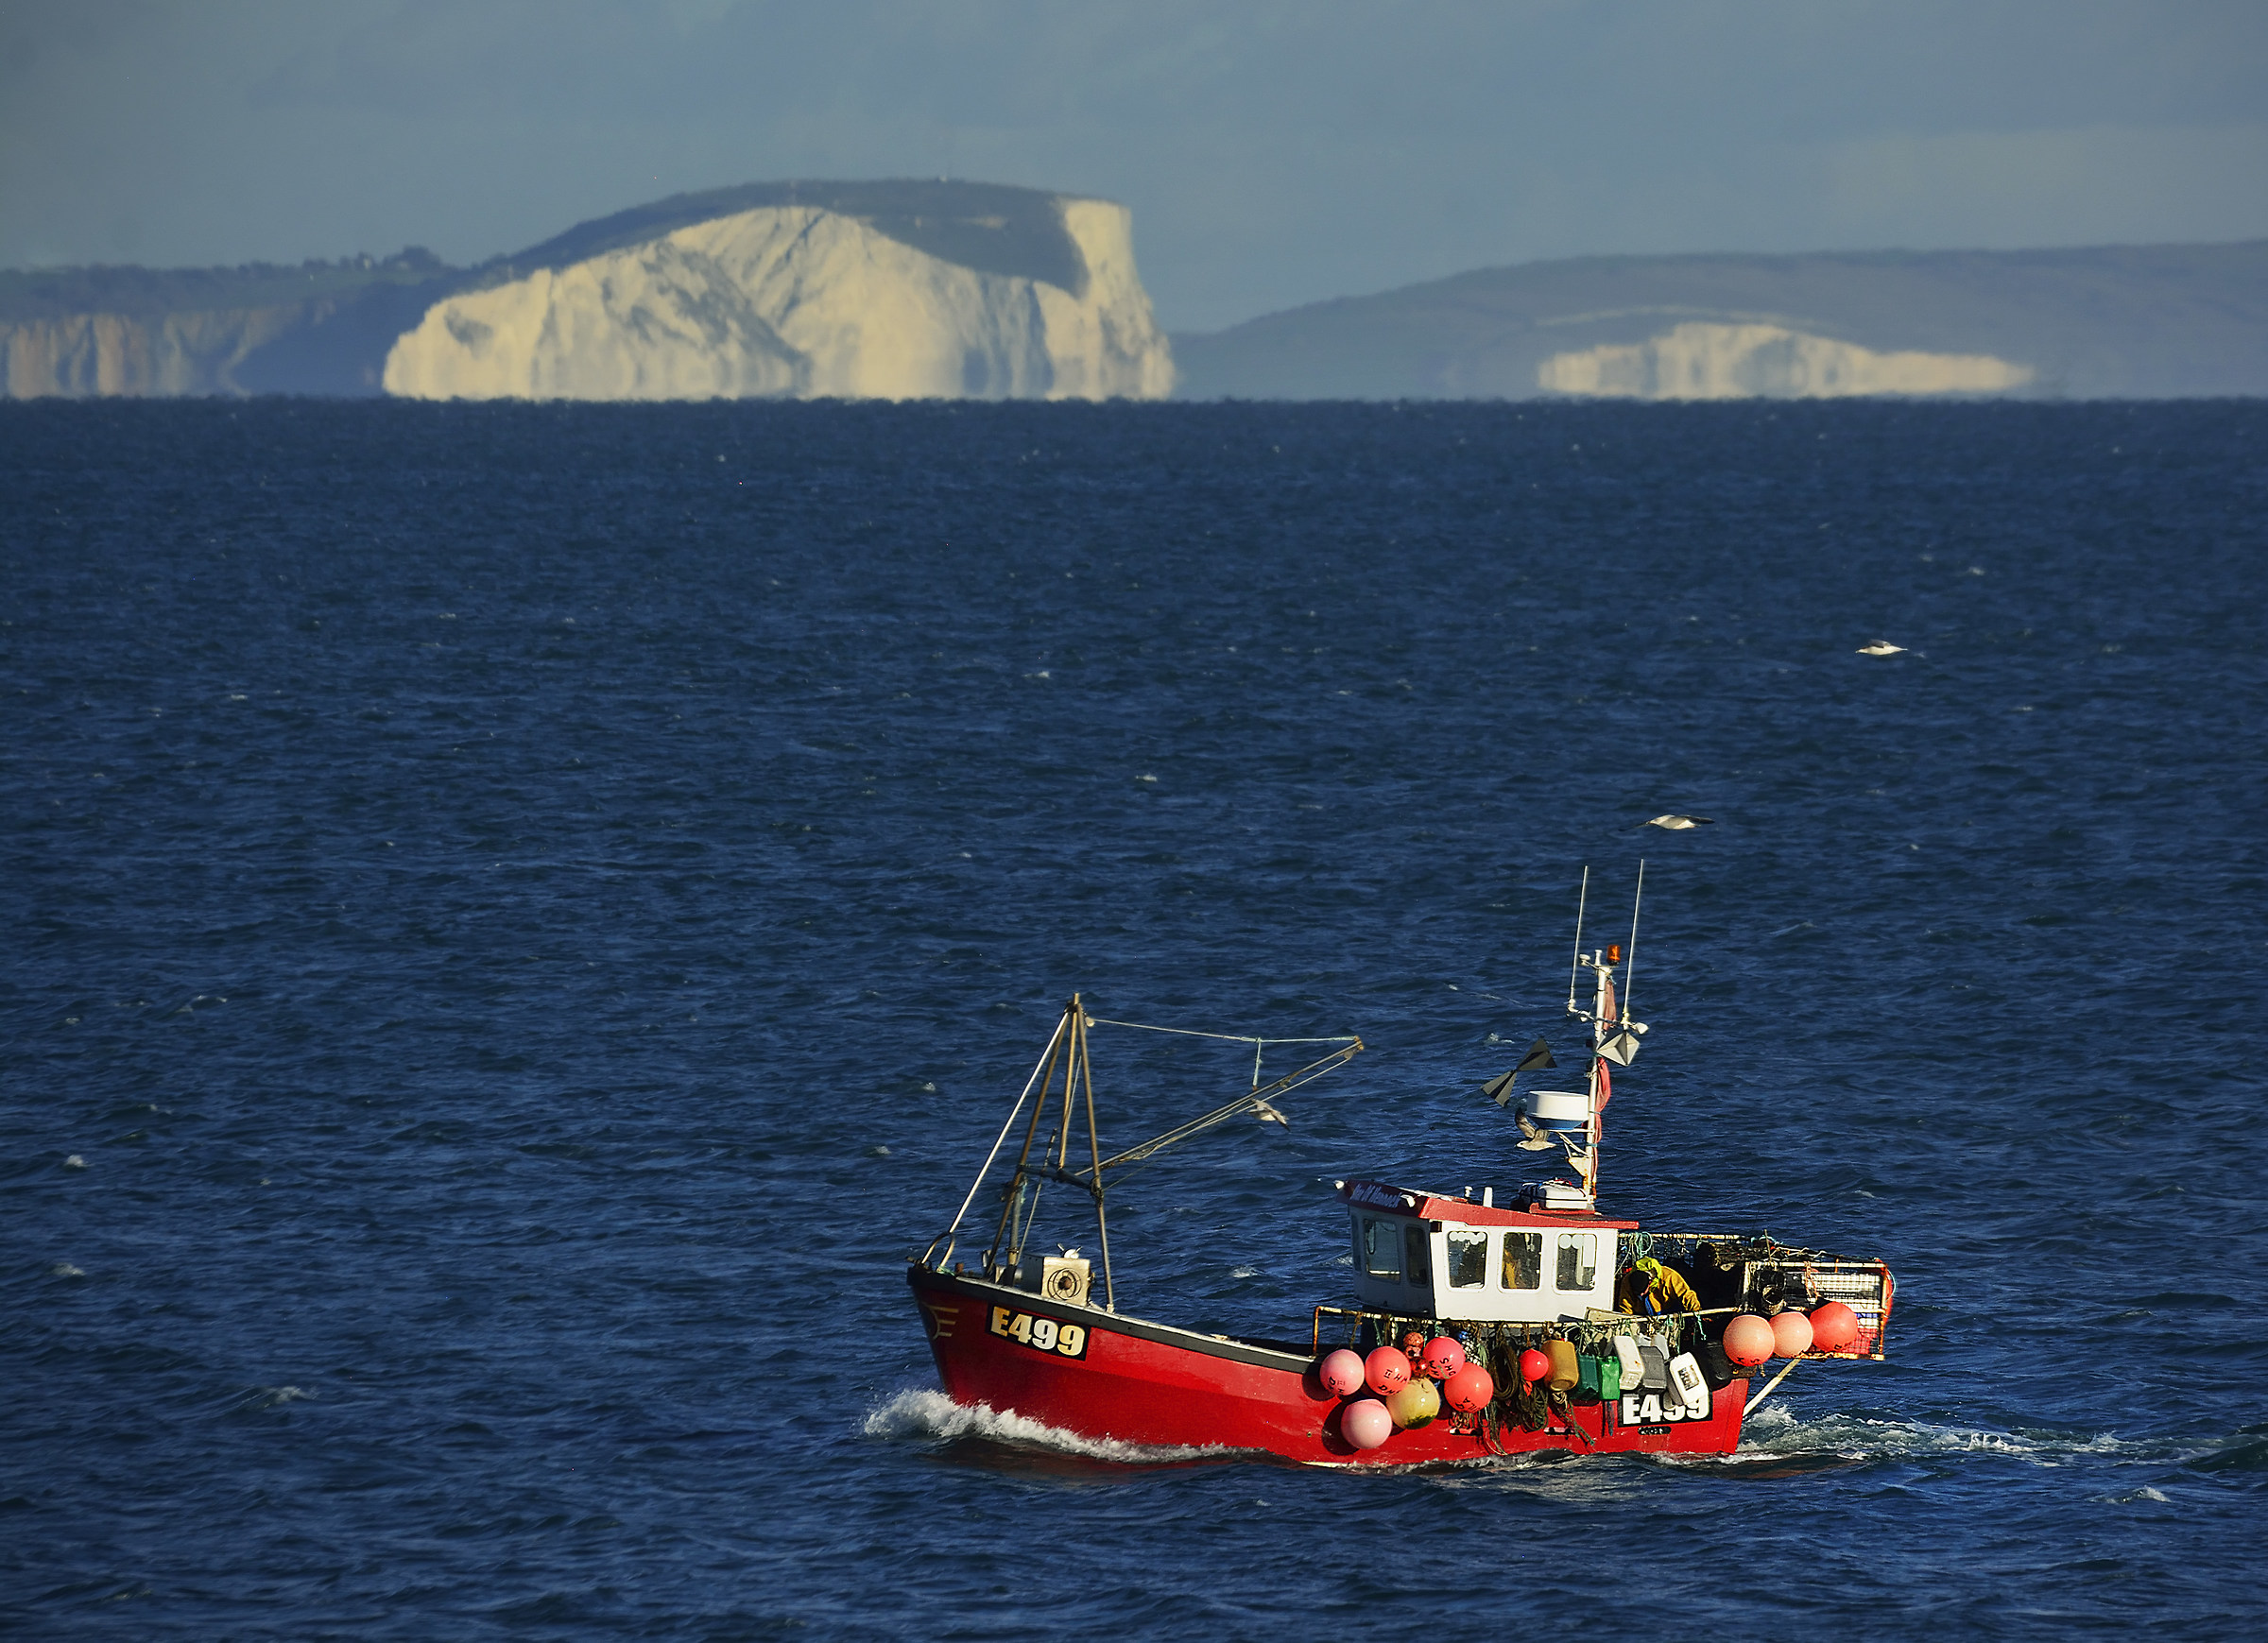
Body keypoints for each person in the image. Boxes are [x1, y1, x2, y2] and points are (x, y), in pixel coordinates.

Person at [1618, 1256, 1699, 1317]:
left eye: (1643, 1292)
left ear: (1650, 1283)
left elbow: (1687, 1295)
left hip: (1668, 1311)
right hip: (1642, 1314)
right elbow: (1625, 1307)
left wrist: (1697, 1313)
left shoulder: (1669, 1276)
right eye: (1637, 1293)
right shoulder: (1627, 1282)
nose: (1641, 1295)